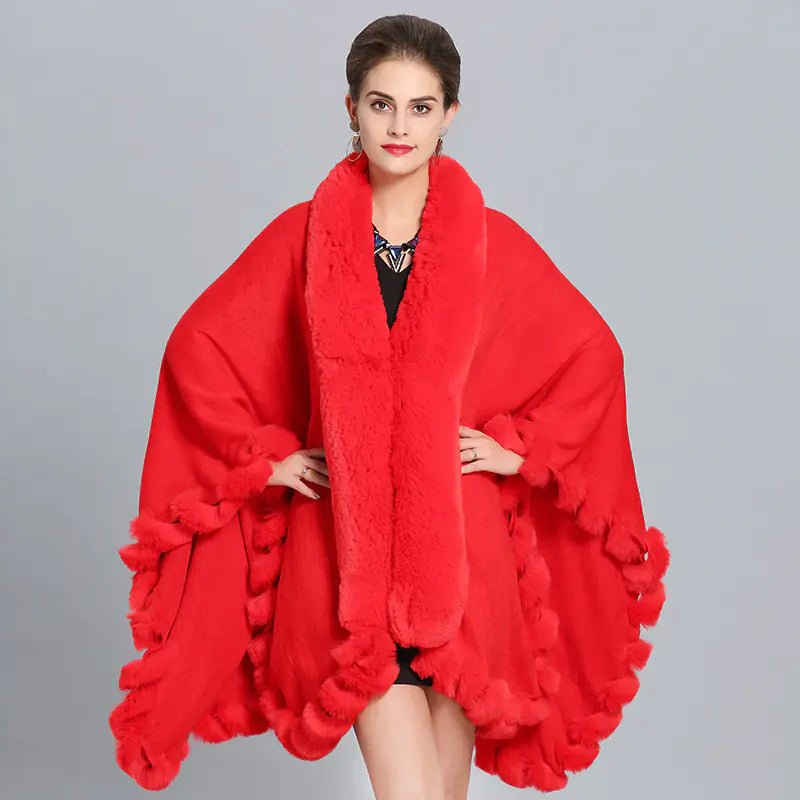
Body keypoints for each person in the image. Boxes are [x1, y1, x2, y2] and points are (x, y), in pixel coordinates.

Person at [109, 14, 670, 799]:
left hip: (465, 567)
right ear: (352, 110)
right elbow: (198, 351)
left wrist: (519, 450)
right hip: (349, 567)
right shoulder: (304, 238)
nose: (399, 127)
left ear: (449, 115)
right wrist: (268, 461)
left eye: (420, 107)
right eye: (381, 105)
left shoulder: (490, 241)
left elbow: (593, 356)